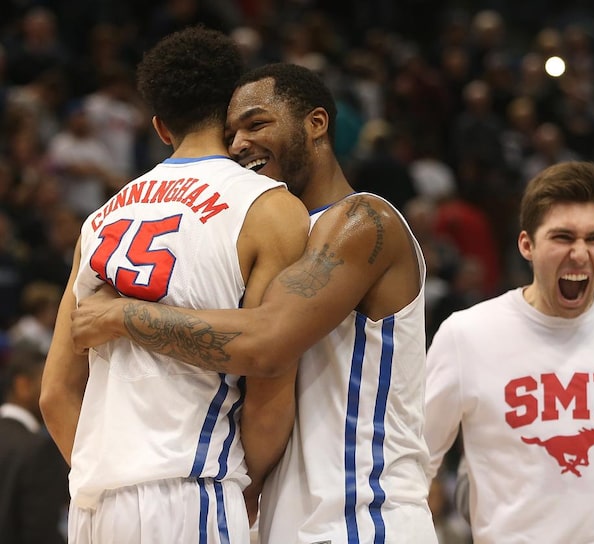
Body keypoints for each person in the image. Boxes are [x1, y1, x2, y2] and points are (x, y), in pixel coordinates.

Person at [70, 62, 439, 544]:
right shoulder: (267, 233)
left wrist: (123, 314)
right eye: (230, 133)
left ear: (317, 124)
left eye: (257, 123)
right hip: (286, 521)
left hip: (363, 515)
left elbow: (266, 342)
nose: (240, 143)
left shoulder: (362, 220)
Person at [39, 28, 309, 543]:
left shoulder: (97, 220)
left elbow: (55, 394)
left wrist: (110, 474)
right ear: (233, 109)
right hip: (194, 489)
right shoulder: (268, 207)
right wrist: (241, 489)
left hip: (93, 504)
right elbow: (269, 386)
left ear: (160, 126)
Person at [423, 161, 594, 543]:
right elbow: (414, 467)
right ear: (527, 245)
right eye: (563, 237)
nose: (580, 253)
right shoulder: (466, 335)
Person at [0, 345, 69, 543]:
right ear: (22, 385)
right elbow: (41, 533)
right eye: (46, 382)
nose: (56, 393)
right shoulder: (38, 449)